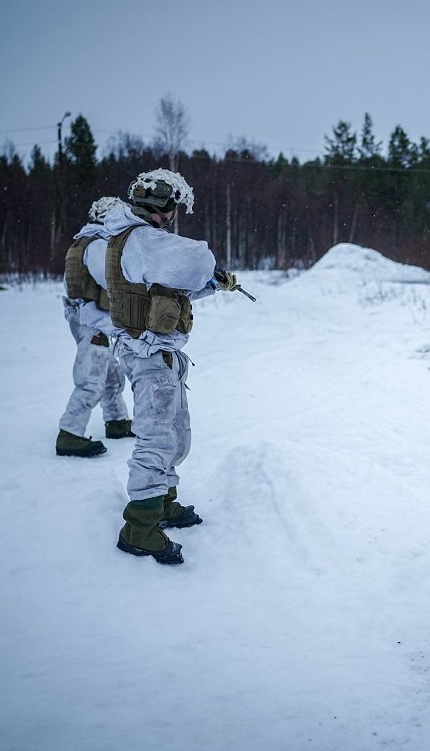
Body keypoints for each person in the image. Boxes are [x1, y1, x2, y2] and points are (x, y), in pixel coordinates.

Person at [104, 169, 241, 565]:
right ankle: (140, 528)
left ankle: (162, 503)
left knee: (175, 437)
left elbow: (172, 288)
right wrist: (210, 272)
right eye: (173, 208)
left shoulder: (136, 239)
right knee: (156, 441)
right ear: (163, 207)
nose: (174, 215)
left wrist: (215, 286)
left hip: (159, 353)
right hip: (149, 356)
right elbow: (197, 260)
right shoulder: (142, 238)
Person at [55, 196, 135, 457]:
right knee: (91, 379)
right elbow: (111, 281)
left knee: (111, 374)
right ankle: (70, 433)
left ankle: (117, 422)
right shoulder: (98, 245)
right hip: (92, 320)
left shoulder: (84, 240)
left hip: (89, 317)